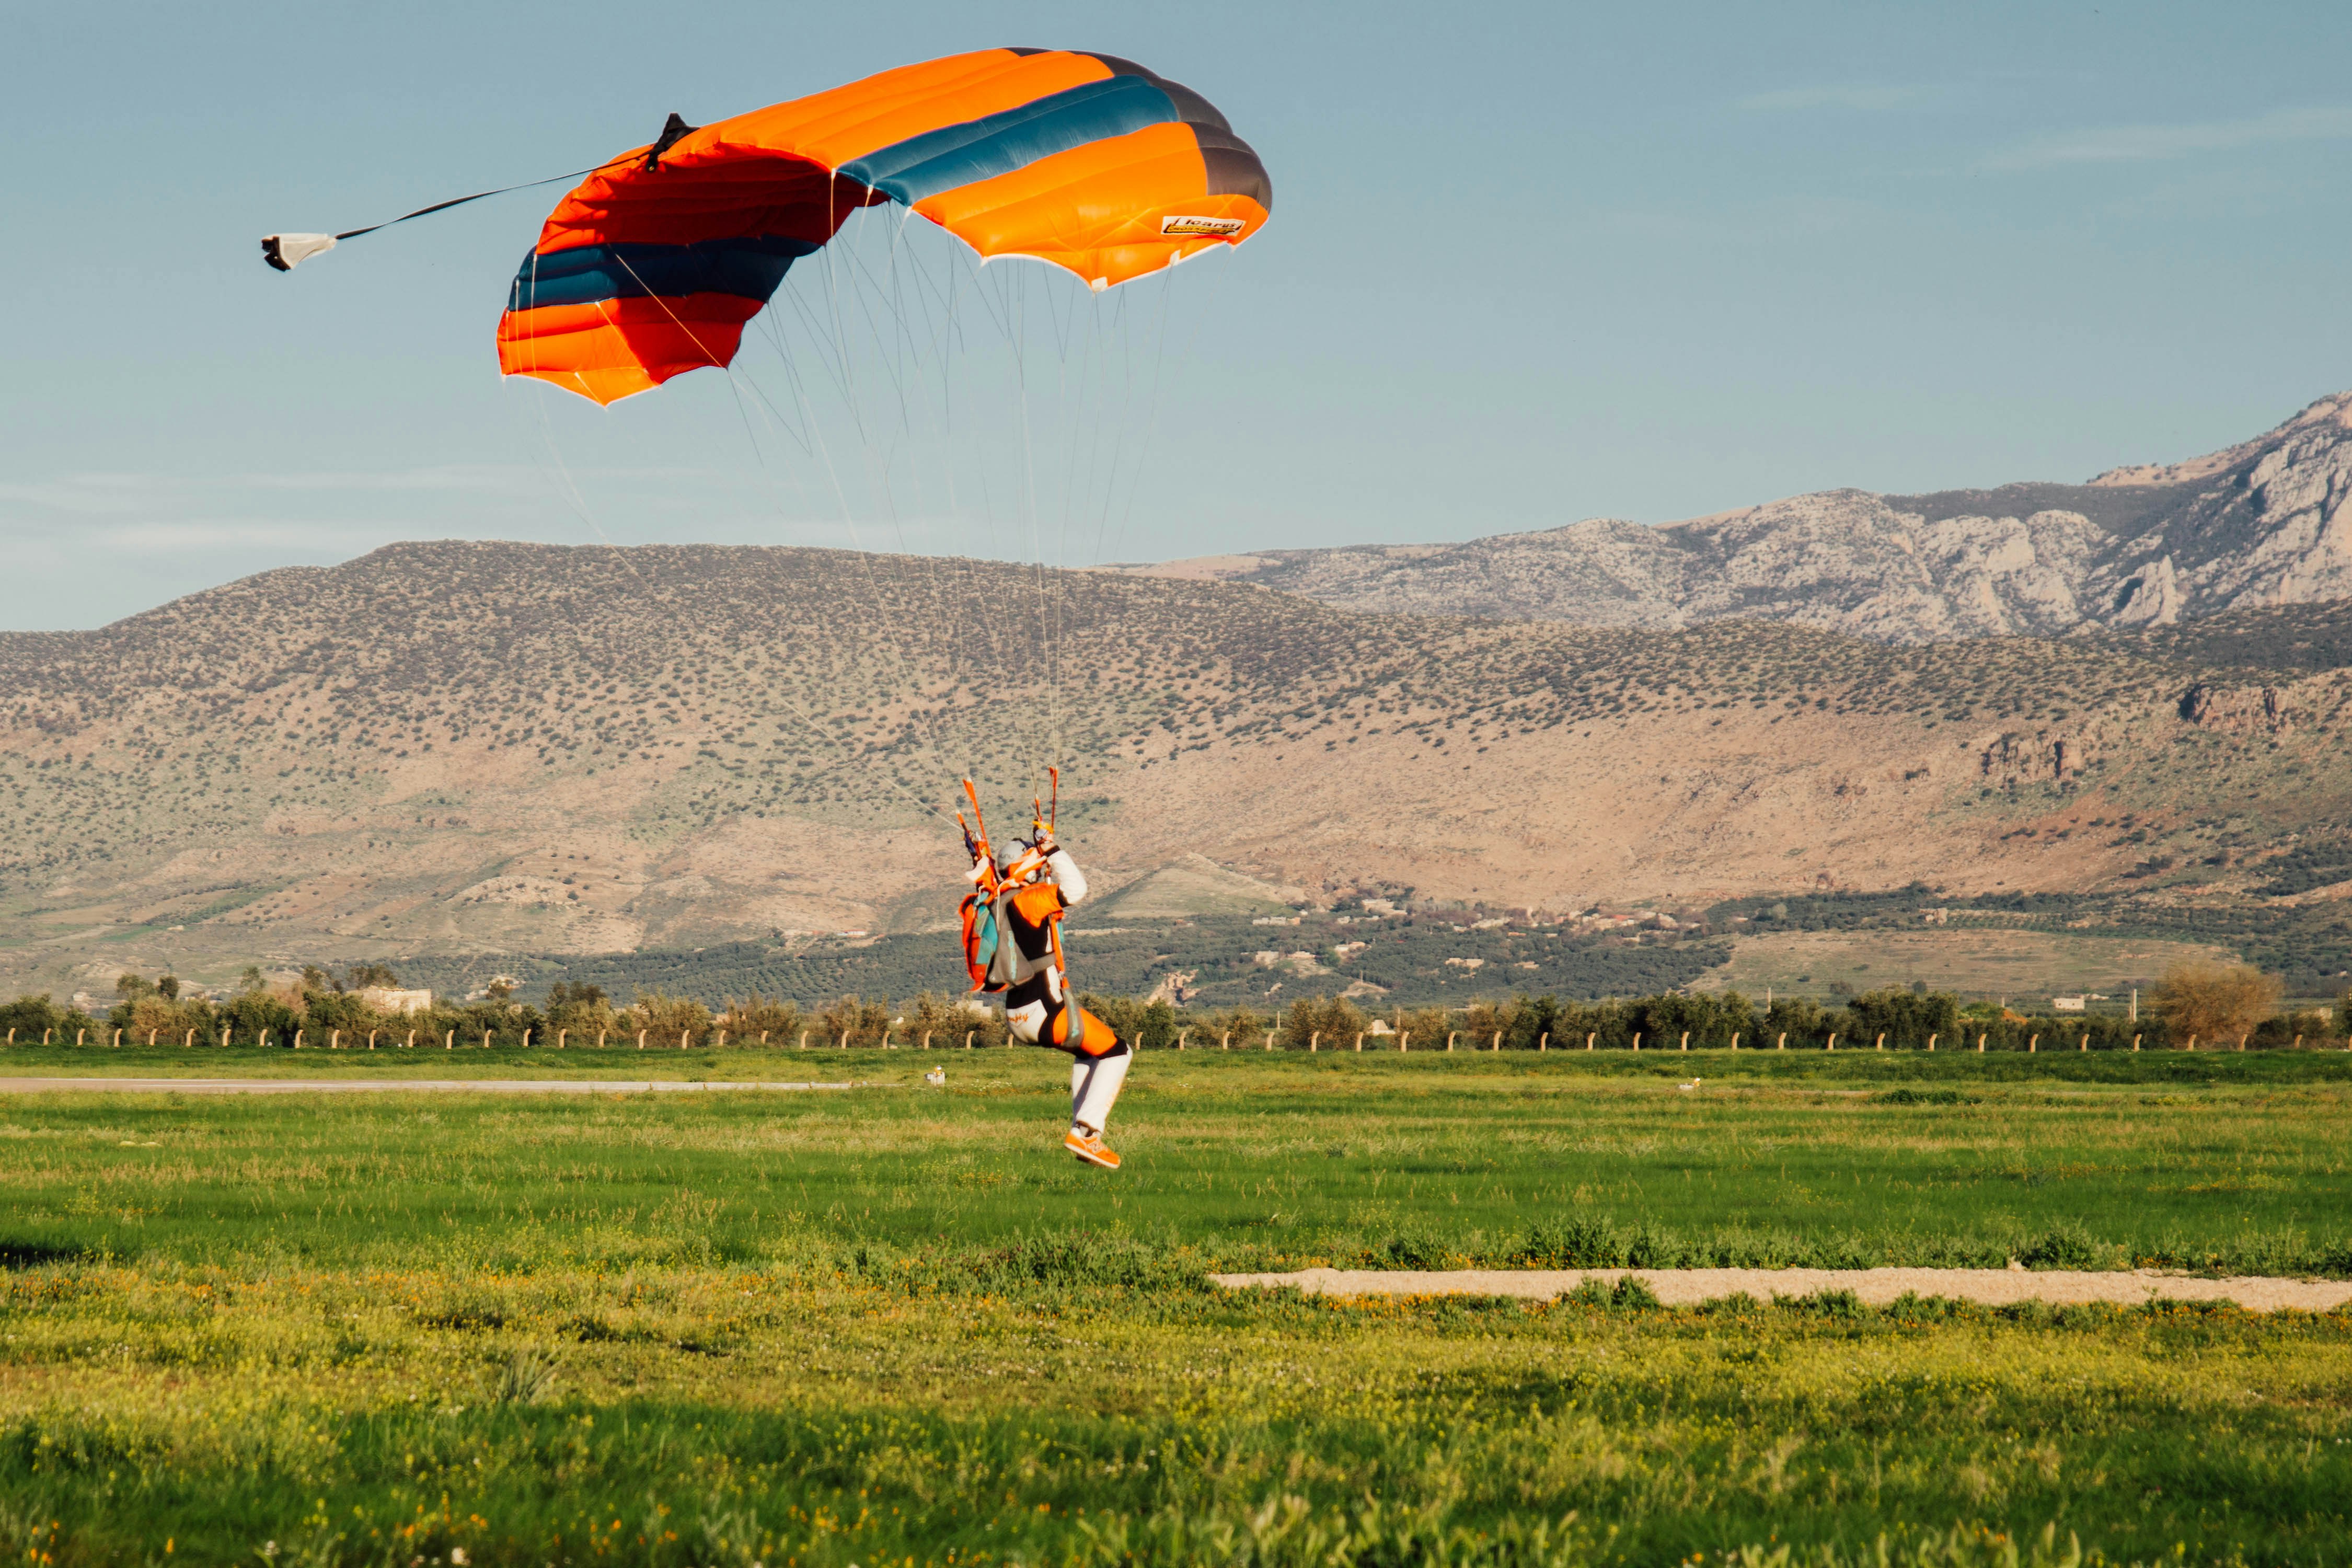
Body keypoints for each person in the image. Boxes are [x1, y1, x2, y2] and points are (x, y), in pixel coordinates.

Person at [962, 820, 1131, 1169]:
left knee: (1090, 1055)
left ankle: (1086, 1137)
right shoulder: (1029, 899)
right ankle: (1085, 1132)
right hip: (1046, 1010)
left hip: (1017, 1015)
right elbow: (1077, 889)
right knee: (1118, 1052)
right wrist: (1052, 849)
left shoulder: (999, 898)